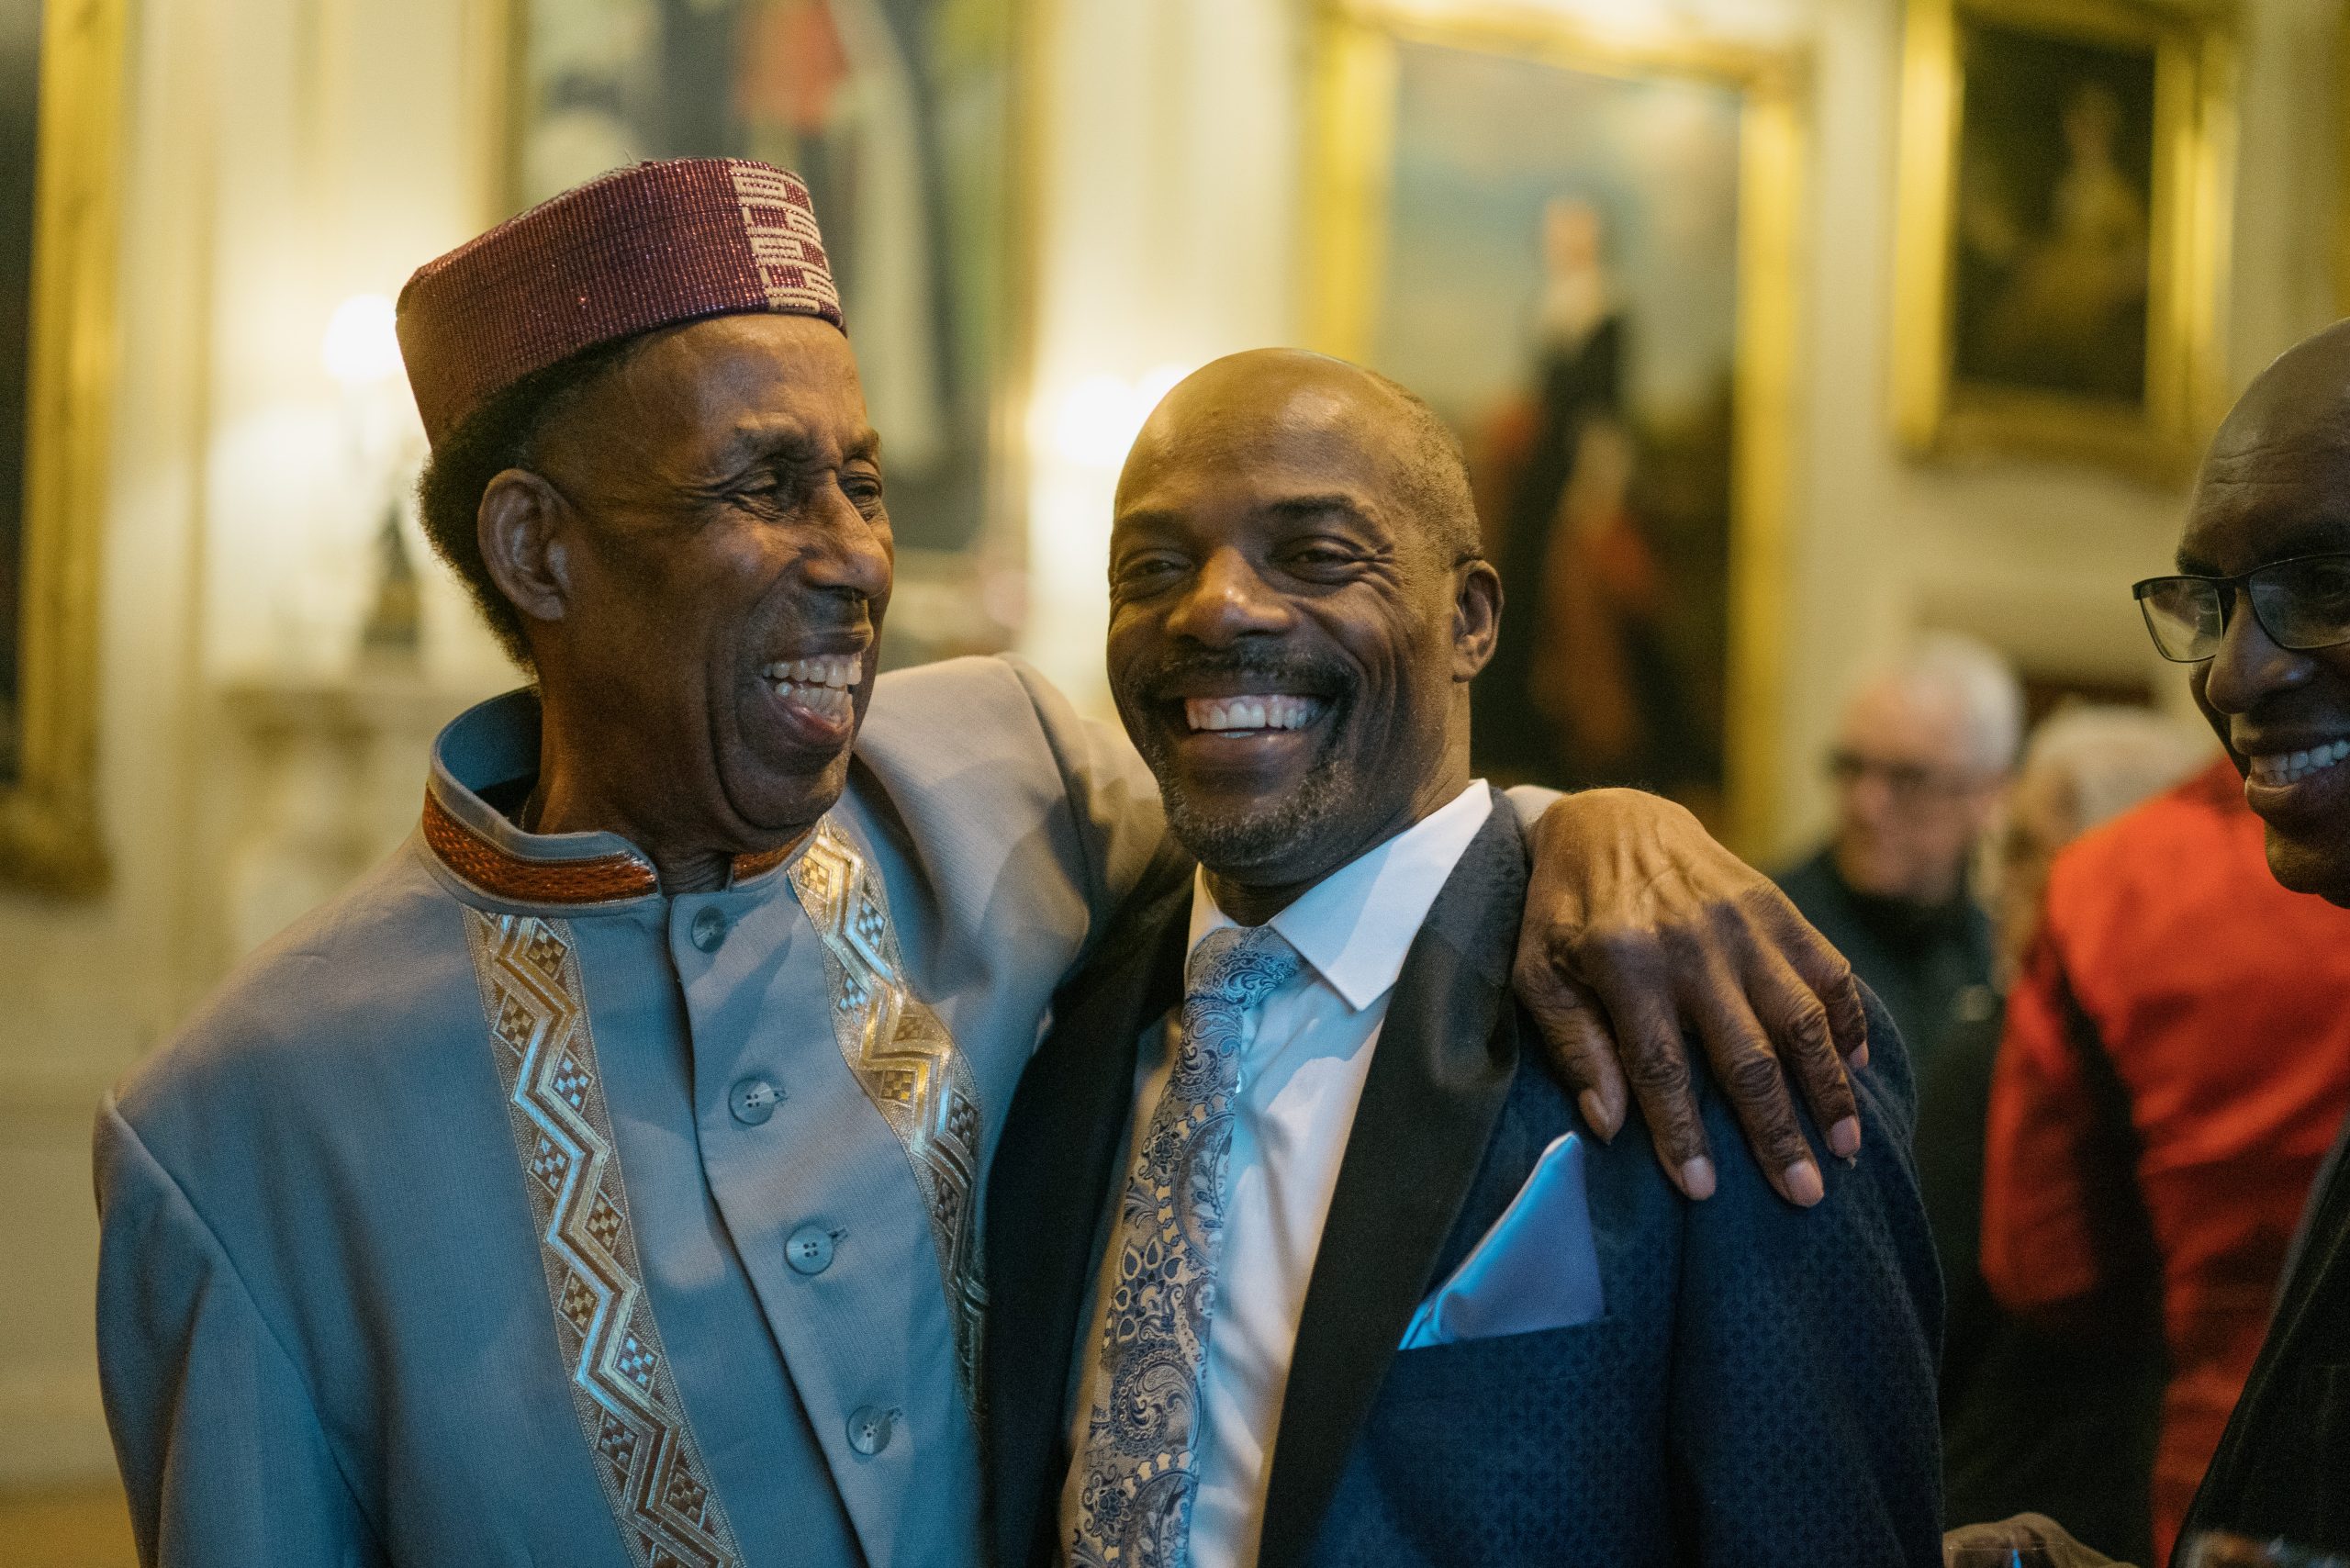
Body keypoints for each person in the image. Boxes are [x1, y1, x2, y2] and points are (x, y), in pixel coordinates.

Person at [90, 162, 1874, 1568]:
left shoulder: (992, 779)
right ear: (536, 548)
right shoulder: (241, 1137)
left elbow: (1323, 821)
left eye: (863, 480)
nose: (854, 555)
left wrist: (1584, 826)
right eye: (763, 484)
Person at [981, 350, 1943, 1568]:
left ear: (1471, 619)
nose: (1215, 606)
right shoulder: (1051, 997)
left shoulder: (1713, 1015)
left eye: (1317, 555)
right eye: (1153, 567)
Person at [1949, 319, 2350, 1564]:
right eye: (2212, 601)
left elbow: (2053, 1270)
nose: (2233, 675)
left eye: (2325, 583)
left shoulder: (2113, 890)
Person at [1919, 707, 2207, 1562]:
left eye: (2022, 850)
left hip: (1996, 1515)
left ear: (2115, 863)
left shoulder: (2004, 1054)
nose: (1989, 882)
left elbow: (1915, 1331)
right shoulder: (2215, 1054)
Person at [1777, 634, 2020, 1074]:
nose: (1866, 805)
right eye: (1852, 768)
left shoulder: (2010, 939)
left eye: (1909, 778)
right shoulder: (1768, 931)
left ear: (1990, 793)